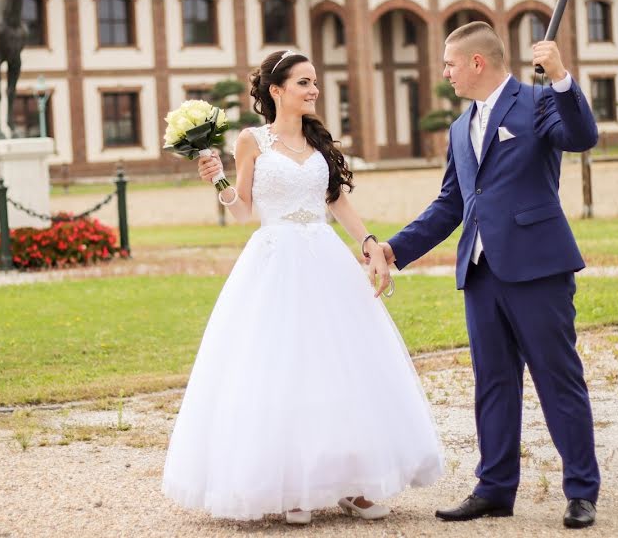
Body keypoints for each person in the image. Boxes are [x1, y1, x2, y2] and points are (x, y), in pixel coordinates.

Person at [161, 49, 444, 525]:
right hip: (273, 263)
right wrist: (219, 182)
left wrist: (370, 243)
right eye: (303, 82)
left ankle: (352, 484)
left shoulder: (319, 142)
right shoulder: (251, 141)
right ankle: (293, 486)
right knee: (281, 369)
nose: (313, 90)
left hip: (325, 260)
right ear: (276, 91)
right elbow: (243, 210)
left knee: (341, 366)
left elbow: (338, 203)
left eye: (313, 82)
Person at [375, 21, 600, 529]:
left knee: (558, 379)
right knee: (493, 384)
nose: (446, 73)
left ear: (478, 62)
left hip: (538, 268)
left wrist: (562, 76)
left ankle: (582, 491)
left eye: (451, 64)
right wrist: (395, 249)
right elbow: (451, 204)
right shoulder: (459, 127)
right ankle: (495, 488)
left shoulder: (539, 101)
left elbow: (582, 136)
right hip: (479, 273)